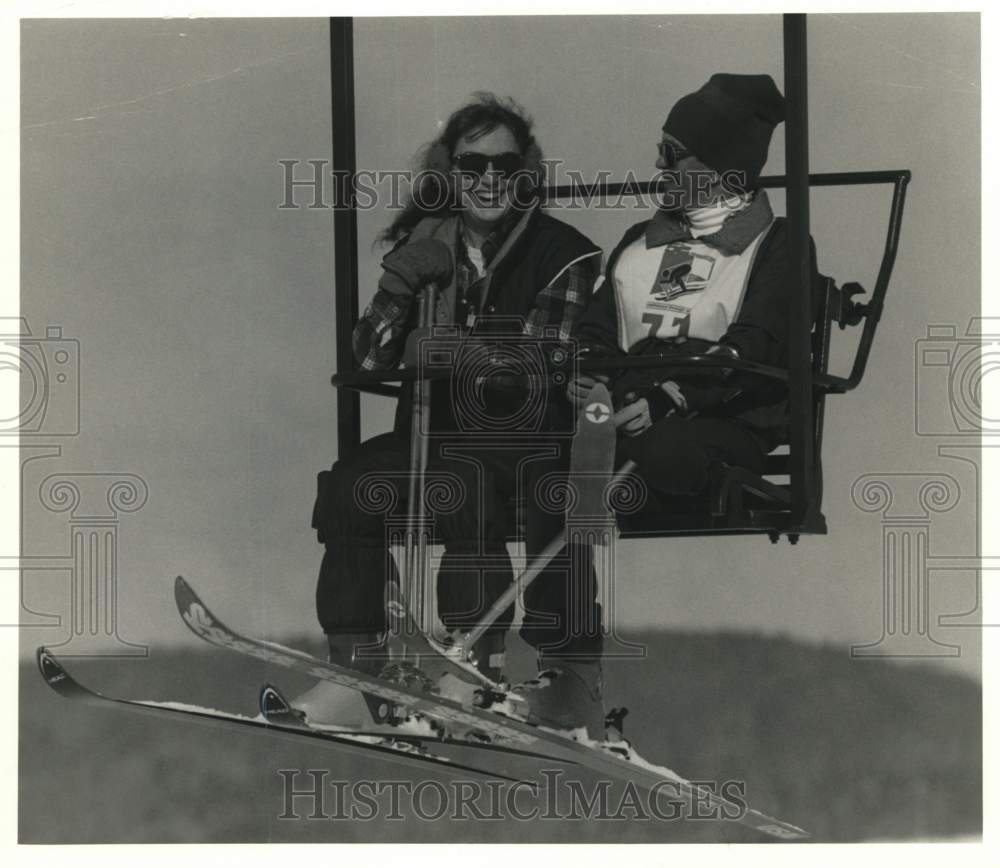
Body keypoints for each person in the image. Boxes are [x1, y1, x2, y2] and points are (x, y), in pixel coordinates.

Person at [305, 93, 603, 730]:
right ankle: (360, 665)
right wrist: (400, 283)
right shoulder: (428, 252)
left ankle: (476, 664)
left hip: (524, 439)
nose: (489, 180)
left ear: (526, 173)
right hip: (434, 434)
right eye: (473, 166)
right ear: (451, 172)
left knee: (463, 483)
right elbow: (368, 356)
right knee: (351, 484)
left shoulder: (564, 254)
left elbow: (543, 368)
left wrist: (460, 353)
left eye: (505, 165)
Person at [562, 74, 825, 724]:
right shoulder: (641, 242)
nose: (657, 165)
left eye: (673, 152)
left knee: (644, 455)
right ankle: (548, 659)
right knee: (550, 458)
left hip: (721, 418)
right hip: (627, 416)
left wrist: (671, 393)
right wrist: (591, 376)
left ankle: (570, 672)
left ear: (722, 166)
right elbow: (598, 326)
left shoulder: (779, 245)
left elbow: (756, 343)